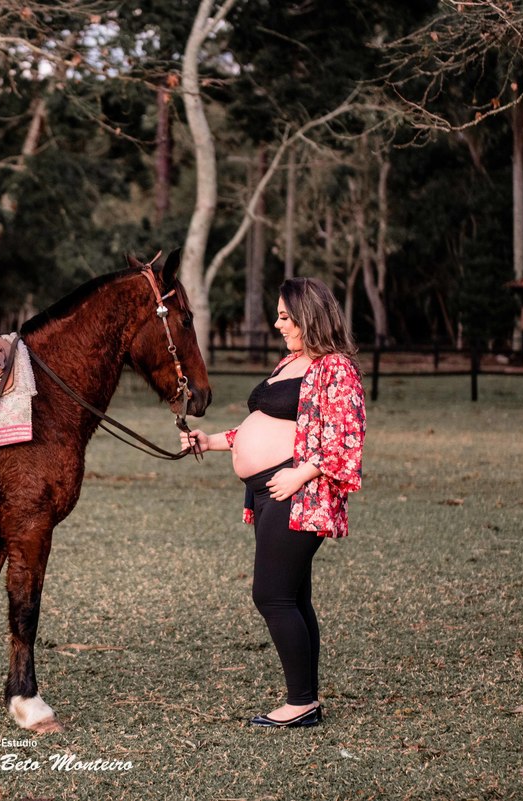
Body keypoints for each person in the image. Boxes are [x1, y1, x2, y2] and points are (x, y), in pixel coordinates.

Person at [181, 277, 365, 729]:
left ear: (308, 316)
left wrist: (301, 473)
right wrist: (211, 440)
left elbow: (347, 437)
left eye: (285, 316)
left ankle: (300, 703)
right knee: (294, 596)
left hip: (299, 494)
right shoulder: (290, 362)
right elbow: (263, 425)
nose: (278, 323)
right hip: (268, 492)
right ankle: (307, 700)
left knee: (272, 595)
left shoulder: (335, 368)